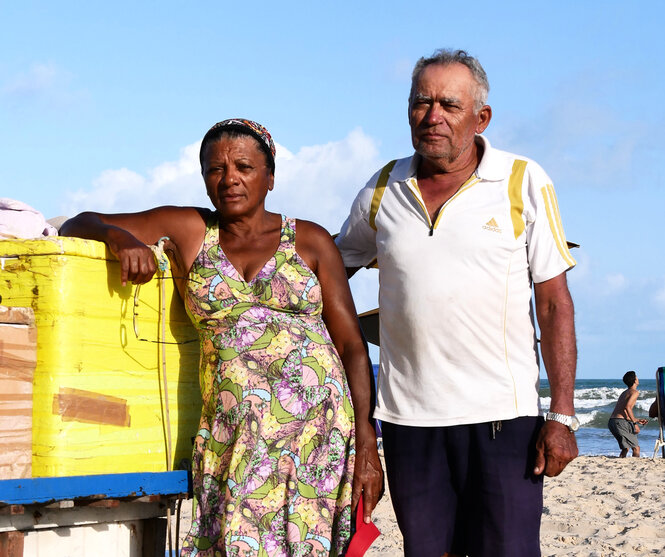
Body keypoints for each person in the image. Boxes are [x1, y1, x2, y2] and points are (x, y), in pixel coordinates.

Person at [61, 119, 383, 556]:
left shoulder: (310, 240)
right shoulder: (191, 230)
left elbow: (350, 346)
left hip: (317, 441)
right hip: (235, 439)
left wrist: (367, 442)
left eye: (244, 167)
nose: (229, 178)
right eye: (216, 169)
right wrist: (118, 239)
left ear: (270, 177)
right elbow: (79, 222)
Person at [335, 49, 578, 557]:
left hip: (502, 419)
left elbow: (554, 303)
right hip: (408, 422)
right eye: (421, 102)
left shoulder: (522, 181)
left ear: (480, 117)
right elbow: (329, 271)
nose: (433, 116)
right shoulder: (382, 189)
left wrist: (562, 415)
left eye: (449, 104)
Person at [608, 371, 648, 457]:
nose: (638, 378)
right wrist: (634, 423)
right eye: (636, 377)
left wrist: (637, 420)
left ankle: (621, 461)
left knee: (626, 448)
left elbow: (623, 411)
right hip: (620, 422)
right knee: (636, 448)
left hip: (613, 422)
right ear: (634, 380)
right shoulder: (635, 392)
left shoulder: (625, 392)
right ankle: (636, 465)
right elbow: (627, 407)